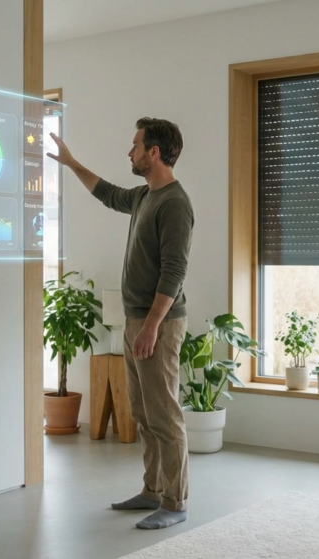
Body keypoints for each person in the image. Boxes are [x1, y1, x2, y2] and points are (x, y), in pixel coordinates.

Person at [46, 118, 194, 530]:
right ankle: (151, 490)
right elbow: (108, 194)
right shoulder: (145, 196)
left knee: (164, 414)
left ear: (154, 153)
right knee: (144, 413)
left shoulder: (175, 203)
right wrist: (72, 164)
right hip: (136, 321)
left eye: (135, 145)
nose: (129, 152)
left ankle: (175, 501)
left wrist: (150, 327)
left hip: (157, 325)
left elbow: (174, 270)